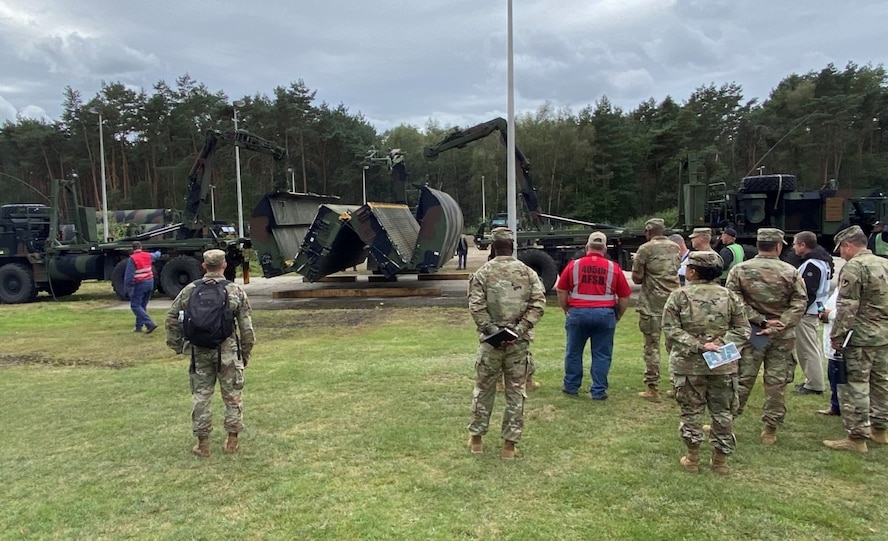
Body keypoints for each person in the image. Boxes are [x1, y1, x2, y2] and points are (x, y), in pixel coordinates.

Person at [662, 251, 748, 474]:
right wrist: (720, 344)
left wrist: (699, 344)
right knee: (722, 413)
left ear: (692, 271)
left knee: (691, 412)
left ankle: (692, 459)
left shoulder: (679, 296)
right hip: (723, 364)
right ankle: (720, 462)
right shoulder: (731, 297)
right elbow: (743, 330)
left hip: (687, 365)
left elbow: (671, 330)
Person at [165, 249, 256, 457]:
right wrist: (246, 352)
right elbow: (247, 328)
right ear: (224, 265)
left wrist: (178, 346)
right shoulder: (235, 291)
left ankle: (203, 444)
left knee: (201, 396)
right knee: (232, 395)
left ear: (204, 266)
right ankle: (232, 440)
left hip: (200, 352)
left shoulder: (189, 290)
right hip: (228, 351)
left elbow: (171, 319)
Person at [467, 227, 546, 460]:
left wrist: (493, 332)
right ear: (513, 247)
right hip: (518, 345)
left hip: (490, 345)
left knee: (483, 390)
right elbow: (538, 305)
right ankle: (509, 447)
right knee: (515, 393)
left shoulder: (482, 273)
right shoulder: (528, 273)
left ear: (492, 247)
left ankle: (477, 441)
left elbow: (476, 307)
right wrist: (517, 331)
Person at [725, 228, 807, 445]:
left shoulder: (740, 270)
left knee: (742, 378)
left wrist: (759, 320)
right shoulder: (791, 272)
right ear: (779, 246)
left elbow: (733, 302)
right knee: (776, 382)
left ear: (759, 244)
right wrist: (780, 323)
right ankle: (770, 429)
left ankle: (727, 420)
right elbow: (800, 303)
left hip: (752, 333)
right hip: (782, 335)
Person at [823, 225, 888, 453]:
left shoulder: (854, 267)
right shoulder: (884, 263)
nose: (840, 253)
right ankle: (880, 430)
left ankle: (856, 437)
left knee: (855, 385)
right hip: (884, 335)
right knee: (881, 383)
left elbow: (847, 306)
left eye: (841, 248)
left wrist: (837, 336)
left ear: (848, 245)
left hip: (860, 336)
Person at [557, 231, 632, 400]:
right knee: (602, 355)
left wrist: (567, 310)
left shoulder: (574, 265)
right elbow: (625, 295)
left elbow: (561, 289)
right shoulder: (614, 268)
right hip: (605, 314)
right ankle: (598, 391)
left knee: (573, 352)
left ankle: (571, 386)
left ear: (586, 247)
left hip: (577, 313)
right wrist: (618, 315)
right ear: (604, 249)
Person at [632, 218, 681, 402]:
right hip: (674, 304)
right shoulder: (675, 247)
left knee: (652, 347)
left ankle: (652, 388)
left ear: (648, 231)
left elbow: (636, 278)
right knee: (675, 347)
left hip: (652, 304)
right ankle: (678, 386)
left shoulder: (645, 249)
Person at [791, 231, 834, 395]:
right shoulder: (821, 262)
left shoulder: (812, 265)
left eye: (795, 243)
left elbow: (808, 292)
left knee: (807, 349)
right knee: (811, 347)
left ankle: (814, 384)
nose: (794, 247)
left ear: (803, 245)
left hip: (807, 312)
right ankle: (813, 381)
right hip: (814, 310)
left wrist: (798, 311)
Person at [124, 241, 161, 333]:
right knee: (142, 306)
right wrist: (160, 251)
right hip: (150, 282)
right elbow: (156, 255)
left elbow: (128, 277)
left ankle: (150, 324)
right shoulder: (148, 255)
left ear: (133, 249)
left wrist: (127, 288)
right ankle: (138, 327)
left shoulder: (132, 259)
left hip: (140, 284)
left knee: (135, 305)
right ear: (141, 247)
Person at [816, 289, 842, 416]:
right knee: (833, 374)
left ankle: (844, 407)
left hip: (844, 339)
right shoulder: (840, 288)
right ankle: (835, 405)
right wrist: (823, 311)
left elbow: (852, 312)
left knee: (842, 375)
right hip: (832, 334)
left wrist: (830, 313)